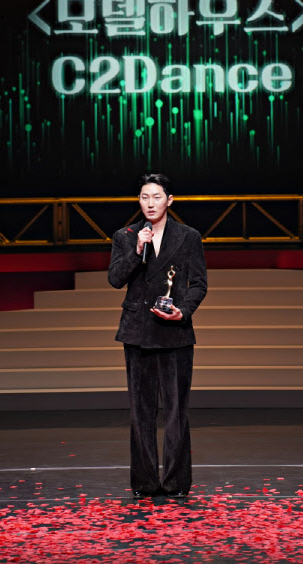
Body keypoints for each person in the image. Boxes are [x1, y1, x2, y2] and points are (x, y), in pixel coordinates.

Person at [108, 173, 208, 498]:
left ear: (169, 200)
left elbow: (199, 284)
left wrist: (183, 311)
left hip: (175, 333)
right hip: (138, 332)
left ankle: (177, 483)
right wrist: (137, 250)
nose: (150, 203)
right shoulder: (126, 236)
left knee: (176, 411)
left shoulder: (189, 236)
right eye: (144, 197)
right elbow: (115, 279)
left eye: (157, 197)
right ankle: (145, 483)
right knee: (141, 413)